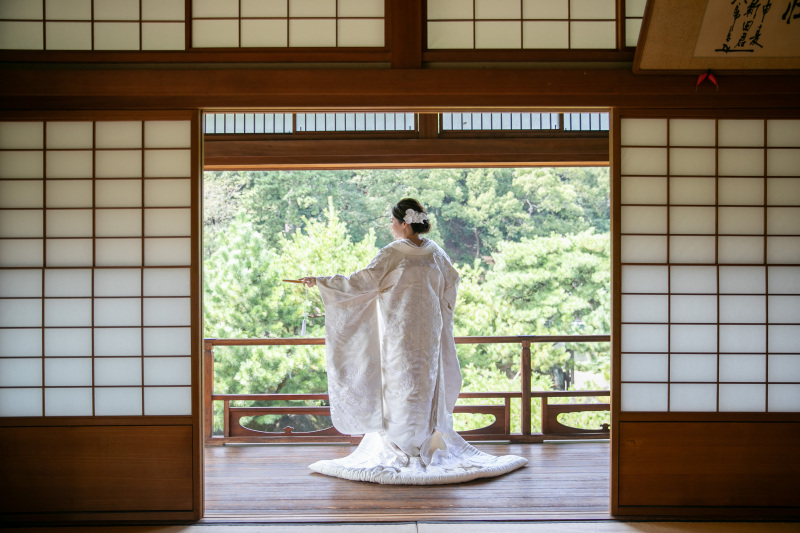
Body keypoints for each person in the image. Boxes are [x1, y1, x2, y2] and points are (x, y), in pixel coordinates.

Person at [300, 198, 526, 485]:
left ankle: (403, 447)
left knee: (400, 384)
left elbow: (361, 282)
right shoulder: (436, 253)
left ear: (404, 223)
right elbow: (452, 284)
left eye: (392, 221)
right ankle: (422, 443)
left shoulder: (393, 254)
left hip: (400, 334)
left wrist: (322, 282)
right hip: (429, 333)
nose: (390, 226)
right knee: (423, 383)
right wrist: (439, 312)